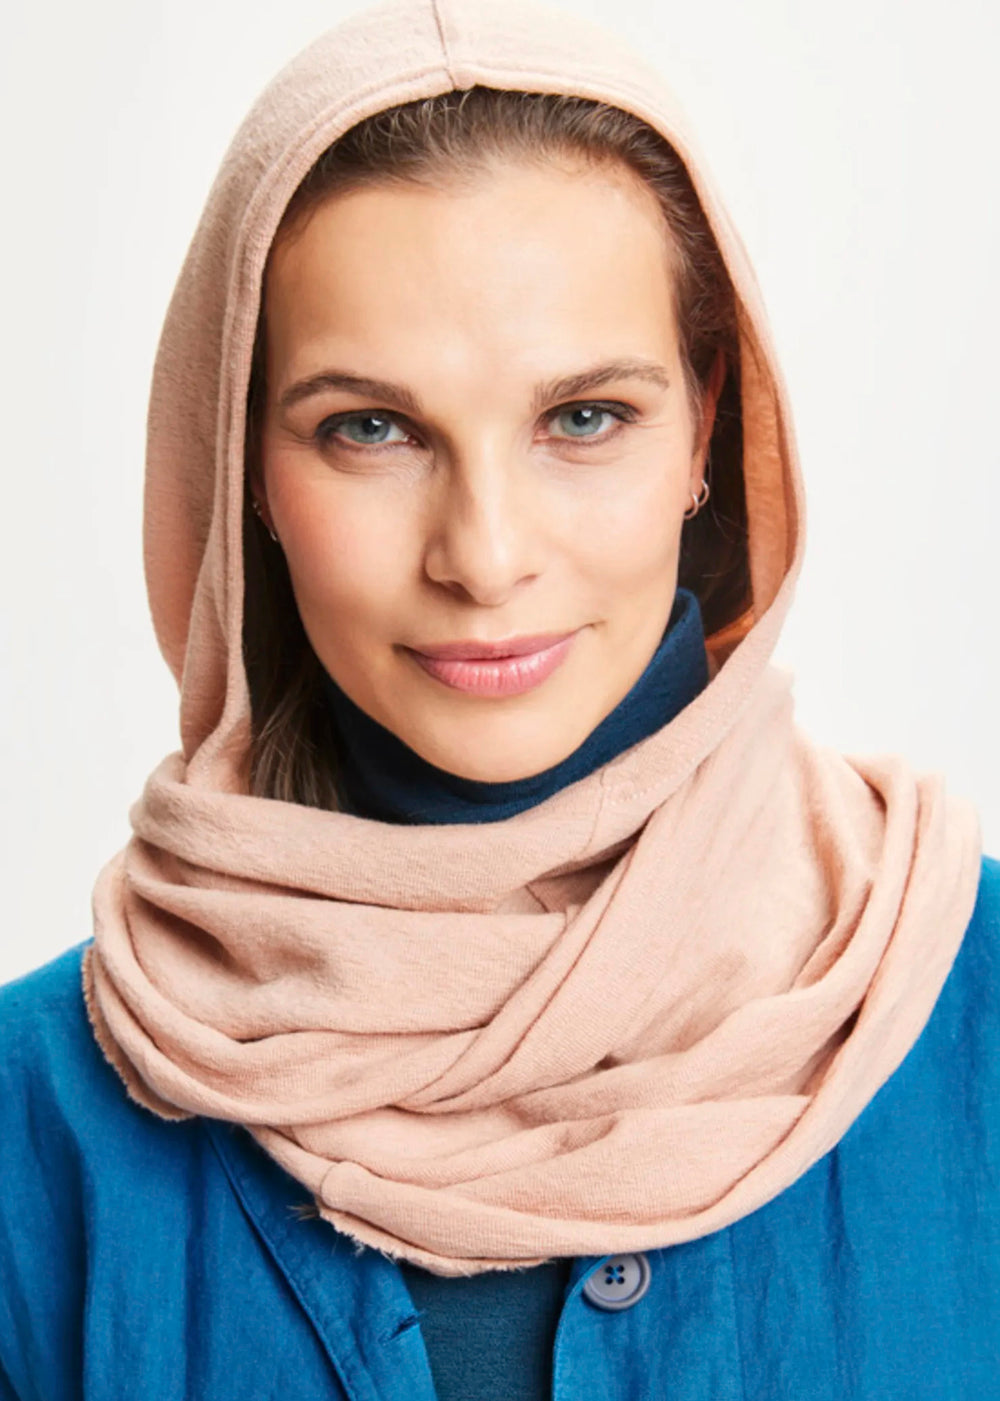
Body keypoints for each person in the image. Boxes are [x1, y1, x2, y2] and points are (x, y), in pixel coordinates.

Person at [1, 0, 997, 1396]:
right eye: (371, 428)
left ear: (705, 428)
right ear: (247, 472)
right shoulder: (35, 1121)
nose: (484, 556)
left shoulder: (970, 1002)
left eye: (584, 418)